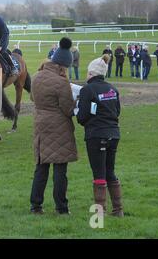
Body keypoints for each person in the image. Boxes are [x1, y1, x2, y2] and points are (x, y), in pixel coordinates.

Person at [30, 37, 78, 215]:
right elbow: (67, 109)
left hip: (40, 125)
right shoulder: (61, 82)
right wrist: (76, 101)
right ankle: (61, 207)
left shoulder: (36, 76)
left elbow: (33, 99)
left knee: (41, 168)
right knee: (60, 170)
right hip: (59, 127)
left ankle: (36, 205)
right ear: (63, 65)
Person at [76, 54, 124, 217]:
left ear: (91, 73)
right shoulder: (113, 89)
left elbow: (82, 118)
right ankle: (118, 210)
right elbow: (117, 111)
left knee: (99, 173)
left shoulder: (87, 90)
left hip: (96, 135)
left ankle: (99, 213)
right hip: (114, 133)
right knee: (110, 171)